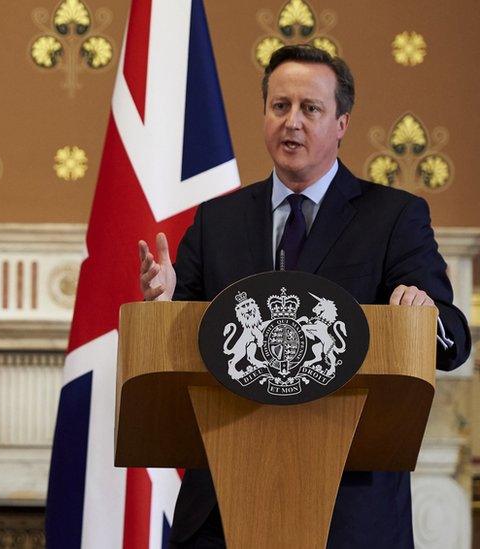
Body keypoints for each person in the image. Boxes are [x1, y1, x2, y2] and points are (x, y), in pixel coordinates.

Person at [138, 45, 471, 548]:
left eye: (310, 109)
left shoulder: (393, 217)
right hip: (222, 509)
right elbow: (185, 342)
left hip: (348, 508)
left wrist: (422, 319)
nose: (292, 122)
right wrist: (163, 309)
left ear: (341, 123)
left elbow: (454, 339)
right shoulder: (216, 220)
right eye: (280, 106)